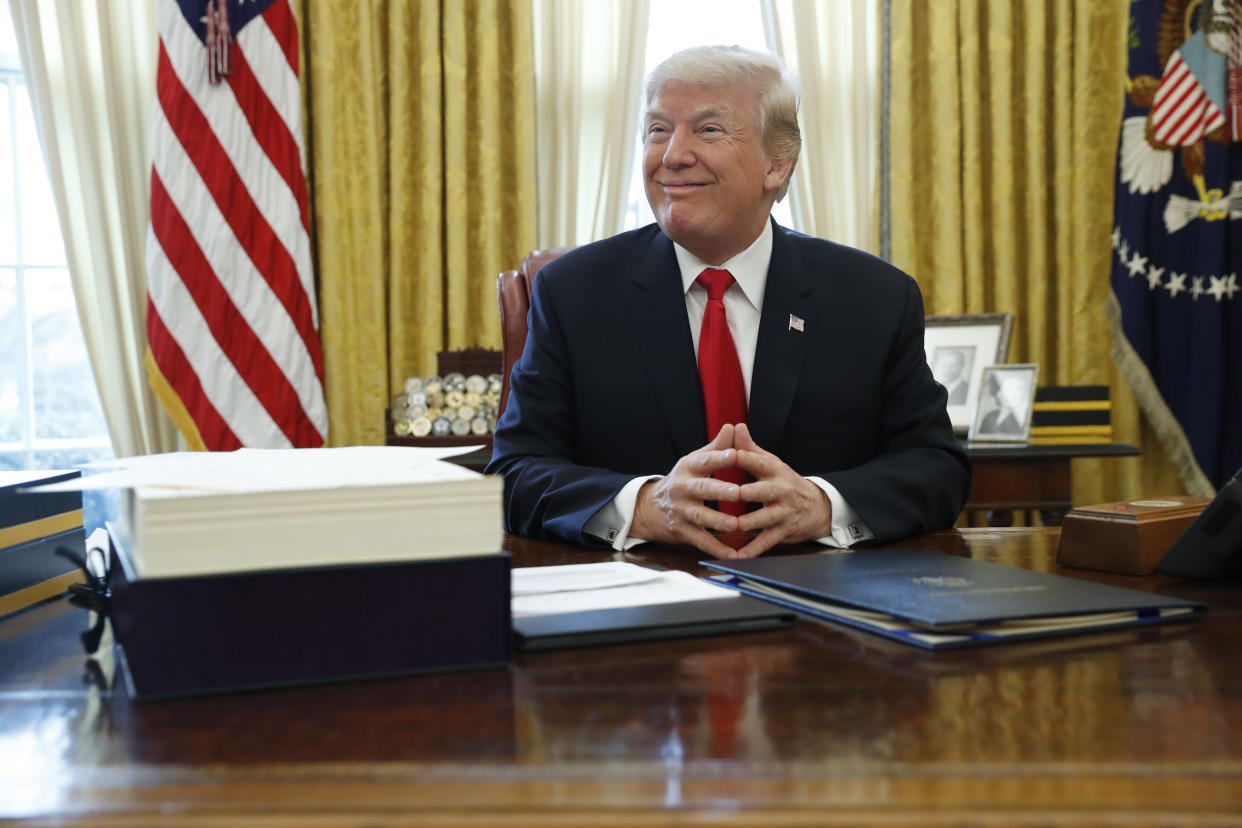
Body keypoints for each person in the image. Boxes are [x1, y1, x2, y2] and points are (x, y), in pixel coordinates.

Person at [487, 45, 971, 560]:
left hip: (825, 600)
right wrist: (645, 505)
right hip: (642, 597)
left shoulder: (874, 297)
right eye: (657, 130)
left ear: (777, 165)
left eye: (708, 129)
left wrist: (823, 505)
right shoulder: (573, 292)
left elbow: (936, 467)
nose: (672, 155)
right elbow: (514, 472)